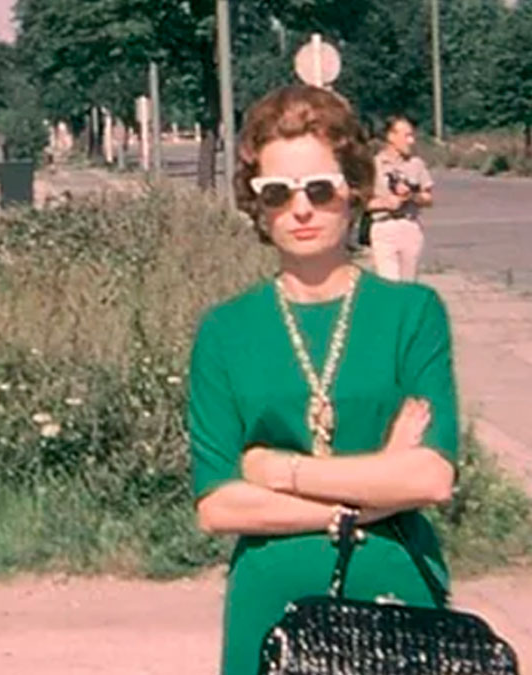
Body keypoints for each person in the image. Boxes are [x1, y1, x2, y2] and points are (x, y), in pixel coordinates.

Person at [188, 85, 460, 675]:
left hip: (394, 597)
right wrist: (371, 496)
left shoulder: (412, 314)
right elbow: (219, 505)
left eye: (319, 188)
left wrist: (279, 471)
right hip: (271, 604)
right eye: (277, 193)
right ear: (257, 205)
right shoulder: (225, 331)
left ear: (354, 191)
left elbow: (431, 476)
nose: (301, 209)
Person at [367, 115, 435, 281]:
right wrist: (385, 203)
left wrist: (412, 196)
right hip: (384, 226)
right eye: (407, 136)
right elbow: (362, 203)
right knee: (388, 281)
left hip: (409, 225)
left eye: (412, 136)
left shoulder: (416, 164)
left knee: (408, 283)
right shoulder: (374, 165)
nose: (411, 141)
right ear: (391, 136)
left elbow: (429, 198)